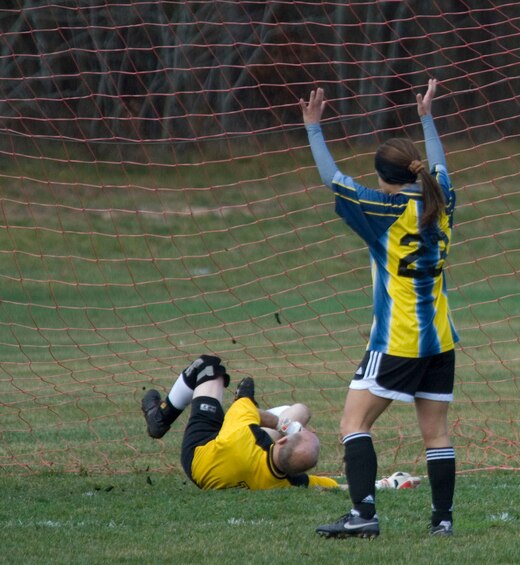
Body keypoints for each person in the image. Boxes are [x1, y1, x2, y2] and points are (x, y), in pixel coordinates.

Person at [299, 78, 458, 538]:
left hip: (397, 340)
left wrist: (313, 128)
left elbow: (333, 179)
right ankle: (442, 521)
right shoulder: (441, 199)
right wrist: (427, 118)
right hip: (442, 339)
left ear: (385, 180)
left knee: (353, 422)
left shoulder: (381, 210)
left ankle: (363, 515)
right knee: (436, 433)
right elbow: (441, 165)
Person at [141, 355, 338, 490]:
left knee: (208, 366)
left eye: (301, 431)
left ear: (282, 441)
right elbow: (328, 484)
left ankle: (160, 417)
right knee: (300, 410)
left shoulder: (245, 435)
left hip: (201, 454)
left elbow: (244, 401)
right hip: (240, 462)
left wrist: (280, 424)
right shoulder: (291, 482)